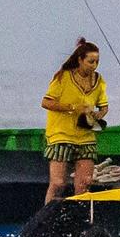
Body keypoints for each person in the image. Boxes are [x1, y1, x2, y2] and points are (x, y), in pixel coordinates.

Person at [41, 39, 109, 203]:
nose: (94, 65)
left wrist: (100, 114)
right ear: (80, 60)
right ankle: (47, 214)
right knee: (58, 183)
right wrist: (73, 107)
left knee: (84, 183)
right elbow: (46, 102)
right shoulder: (63, 77)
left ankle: (78, 216)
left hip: (85, 135)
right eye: (90, 61)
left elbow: (104, 106)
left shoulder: (98, 80)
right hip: (61, 134)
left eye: (97, 62)